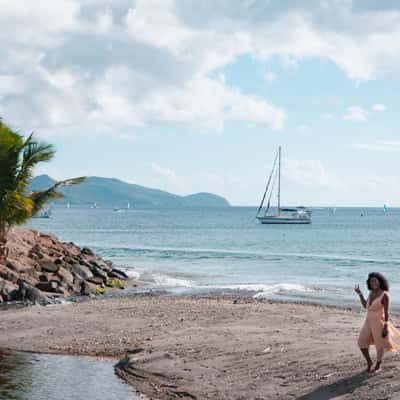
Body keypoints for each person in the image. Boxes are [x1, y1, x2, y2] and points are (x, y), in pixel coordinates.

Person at [355, 272, 400, 373]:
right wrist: (360, 294)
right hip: (368, 322)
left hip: (379, 323)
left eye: (375, 281)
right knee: (361, 342)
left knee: (380, 345)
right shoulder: (371, 293)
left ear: (380, 282)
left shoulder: (384, 295)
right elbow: (365, 306)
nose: (373, 283)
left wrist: (385, 326)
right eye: (371, 281)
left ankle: (378, 365)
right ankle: (370, 363)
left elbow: (387, 312)